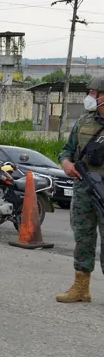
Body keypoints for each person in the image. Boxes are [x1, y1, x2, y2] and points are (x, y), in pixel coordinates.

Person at [57, 75, 104, 303]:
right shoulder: (84, 120)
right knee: (83, 238)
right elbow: (66, 150)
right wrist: (66, 163)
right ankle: (81, 288)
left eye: (94, 93)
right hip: (84, 188)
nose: (90, 97)